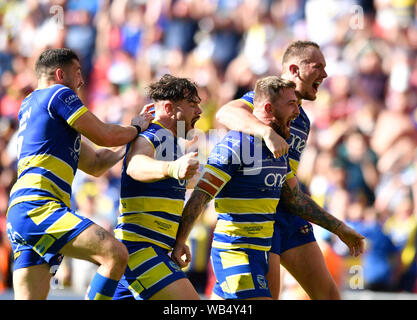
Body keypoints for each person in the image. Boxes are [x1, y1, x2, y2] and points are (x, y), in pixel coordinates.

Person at [173, 76, 364, 299]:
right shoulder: (236, 145)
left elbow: (295, 199)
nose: (298, 111)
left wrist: (340, 228)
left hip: (261, 252)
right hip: (236, 253)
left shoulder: (279, 148)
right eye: (292, 104)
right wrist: (179, 242)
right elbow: (200, 197)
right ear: (268, 108)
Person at [213, 40, 365, 299]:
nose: (325, 75)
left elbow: (289, 188)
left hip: (289, 216)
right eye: (318, 67)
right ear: (294, 69)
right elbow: (226, 112)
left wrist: (339, 228)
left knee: (329, 296)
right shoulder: (264, 102)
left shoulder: (302, 120)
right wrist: (265, 133)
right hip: (260, 220)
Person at [6, 48, 153, 300]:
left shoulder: (36, 108)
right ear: (61, 74)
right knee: (115, 254)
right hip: (40, 206)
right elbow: (105, 135)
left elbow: (96, 163)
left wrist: (134, 140)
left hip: (22, 211)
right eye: (77, 73)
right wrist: (136, 126)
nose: (82, 81)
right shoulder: (58, 94)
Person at [112, 74, 202, 300]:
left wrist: (177, 241)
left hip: (152, 250)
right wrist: (173, 168)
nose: (199, 112)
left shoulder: (171, 142)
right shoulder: (153, 135)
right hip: (140, 251)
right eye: (193, 105)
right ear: (170, 108)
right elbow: (135, 166)